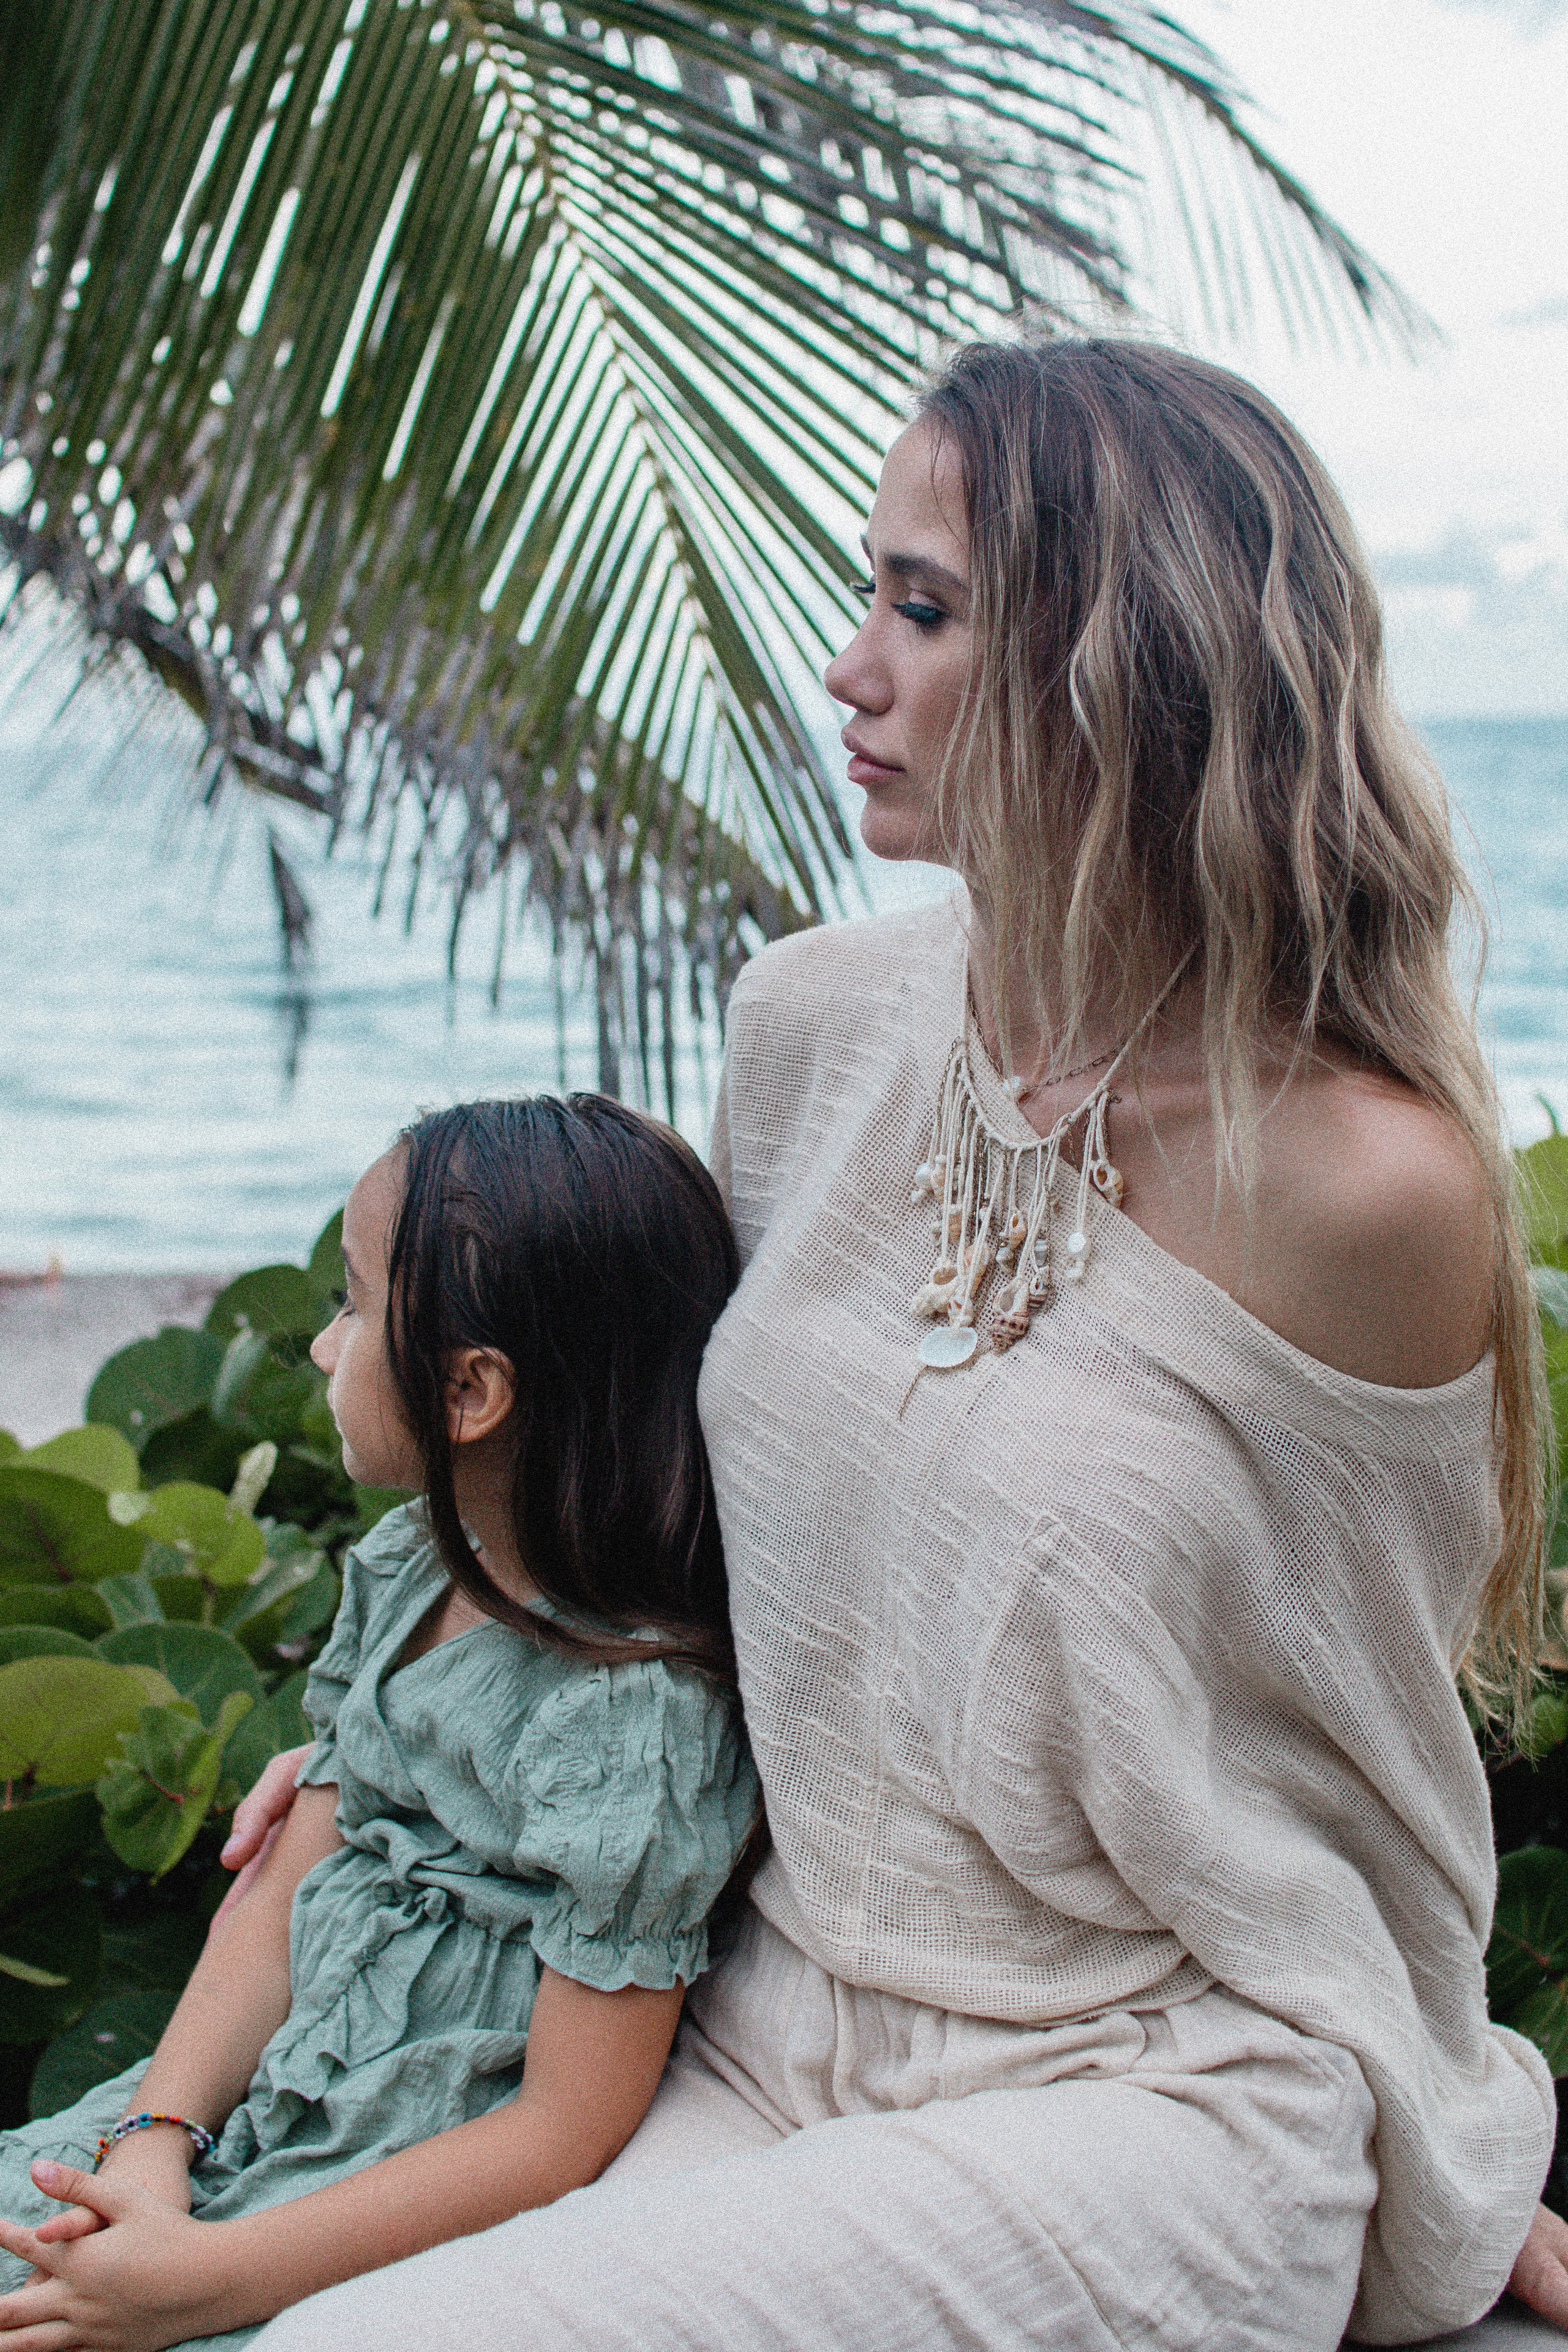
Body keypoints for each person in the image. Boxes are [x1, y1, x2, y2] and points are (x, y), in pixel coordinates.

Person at [48, 336, 1568, 2351]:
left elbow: (1366, 1741)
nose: (850, 669)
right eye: (870, 595)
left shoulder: (1366, 1189)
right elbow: (667, 1528)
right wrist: (410, 1726)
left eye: (924, 609)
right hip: (757, 2021)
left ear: (1122, 664)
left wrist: (1443, 2155)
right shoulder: (813, 1023)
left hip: (1151, 2088)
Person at [0, 1096, 760, 2351]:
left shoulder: (635, 1721)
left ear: (469, 1390)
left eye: (351, 1306)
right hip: (249, 2099)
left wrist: (208, 2277)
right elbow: (289, 1889)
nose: (318, 1346)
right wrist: (152, 2139)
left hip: (383, 2176)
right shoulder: (413, 1567)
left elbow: (562, 2129)